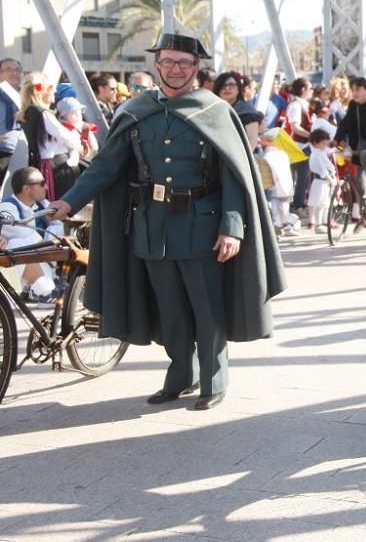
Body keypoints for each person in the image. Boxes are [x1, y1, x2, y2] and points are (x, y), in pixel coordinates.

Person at [48, 33, 286, 411]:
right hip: (152, 229)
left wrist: (232, 227)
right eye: (169, 62)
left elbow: (234, 177)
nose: (176, 69)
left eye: (184, 63)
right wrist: (68, 200)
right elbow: (106, 167)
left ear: (196, 68)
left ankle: (213, 380)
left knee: (207, 309)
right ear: (157, 65)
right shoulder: (137, 110)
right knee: (170, 310)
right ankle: (181, 376)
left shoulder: (214, 111)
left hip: (203, 228)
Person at [0, 166, 63, 302]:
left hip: (33, 259)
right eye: (41, 183)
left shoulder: (41, 205)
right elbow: (21, 233)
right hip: (10, 264)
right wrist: (49, 245)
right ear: (26, 188)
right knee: (17, 243)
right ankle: (41, 290)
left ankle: (41, 288)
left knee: (55, 231)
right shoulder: (6, 207)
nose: (45, 187)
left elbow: (59, 227)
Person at [17, 74, 83, 201]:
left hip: (44, 164)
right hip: (58, 166)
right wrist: (78, 144)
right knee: (64, 205)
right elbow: (63, 134)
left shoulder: (26, 113)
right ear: (42, 92)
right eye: (51, 90)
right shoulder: (43, 114)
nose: (55, 93)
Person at [333, 76, 366, 206]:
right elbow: (346, 123)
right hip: (359, 143)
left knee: (365, 156)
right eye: (353, 90)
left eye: (358, 90)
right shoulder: (353, 105)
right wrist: (336, 139)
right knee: (357, 175)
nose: (355, 93)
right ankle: (364, 206)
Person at [284, 77, 314, 213]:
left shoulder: (304, 104)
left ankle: (299, 203)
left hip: (304, 145)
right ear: (303, 90)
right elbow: (295, 127)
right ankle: (298, 205)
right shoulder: (296, 105)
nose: (311, 91)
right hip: (297, 146)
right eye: (310, 88)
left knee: (303, 177)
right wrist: (312, 136)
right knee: (299, 177)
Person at [213, 72, 264, 147]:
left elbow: (252, 141)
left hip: (239, 155)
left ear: (238, 89)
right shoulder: (211, 109)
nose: (227, 88)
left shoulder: (246, 110)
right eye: (223, 85)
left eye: (231, 85)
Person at [306, 129, 337, 233]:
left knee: (323, 203)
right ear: (315, 143)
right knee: (317, 203)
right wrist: (330, 179)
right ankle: (317, 223)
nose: (325, 145)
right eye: (323, 143)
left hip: (325, 182)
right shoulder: (315, 155)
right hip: (320, 181)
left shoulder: (320, 153)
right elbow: (322, 171)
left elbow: (329, 166)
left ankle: (322, 221)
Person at [0, 58, 23, 188]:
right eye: (9, 69)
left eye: (17, 70)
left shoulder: (27, 95)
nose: (14, 73)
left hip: (23, 152)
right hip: (3, 153)